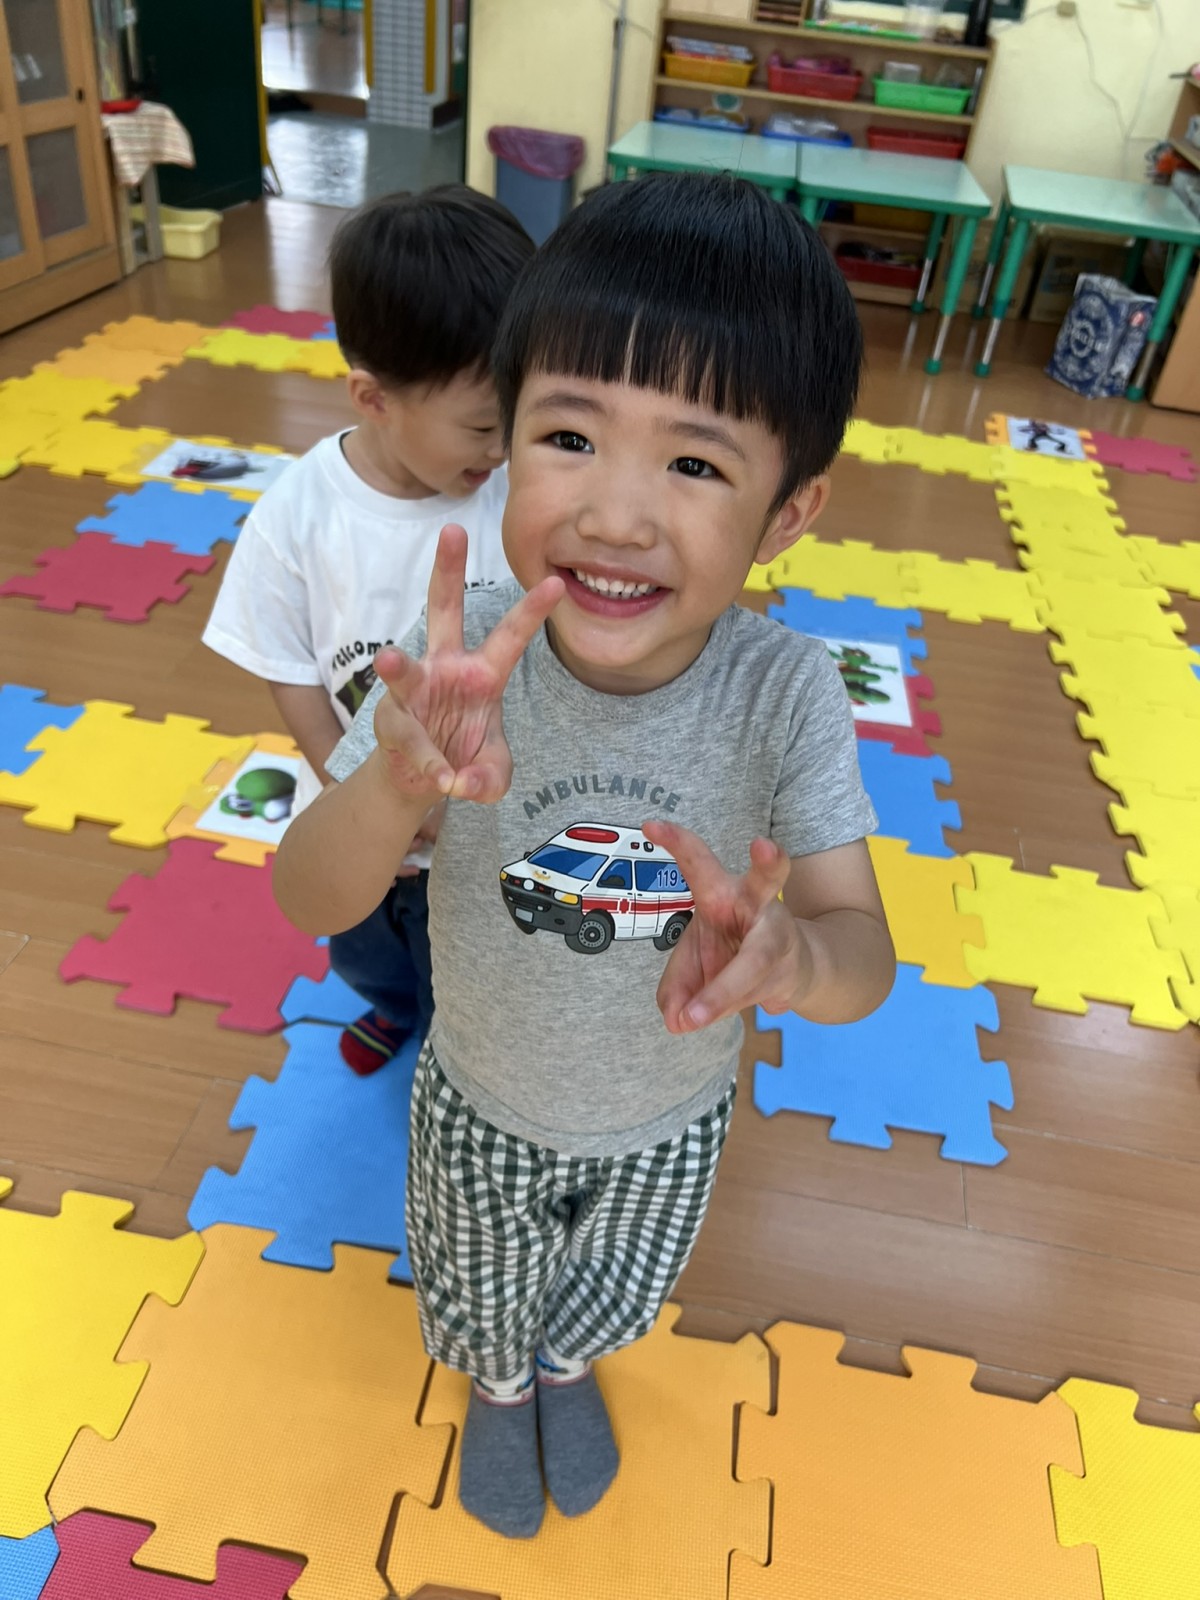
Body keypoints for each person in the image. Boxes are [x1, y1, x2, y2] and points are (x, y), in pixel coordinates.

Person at [274, 172, 896, 1538]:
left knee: (617, 1286)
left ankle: (563, 1364)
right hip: (480, 1098)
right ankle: (501, 1383)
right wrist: (392, 786)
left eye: (694, 463)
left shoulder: (788, 695)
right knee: (477, 1287)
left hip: (671, 1118)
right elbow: (304, 892)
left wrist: (794, 960)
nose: (615, 513)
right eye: (568, 435)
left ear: (789, 513)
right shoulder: (458, 669)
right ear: (505, 444)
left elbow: (865, 957)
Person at [204, 186, 533, 1074]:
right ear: (373, 397)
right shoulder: (298, 516)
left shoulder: (517, 497)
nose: (503, 448)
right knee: (367, 948)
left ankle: (450, 1047)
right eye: (482, 425)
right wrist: (344, 781)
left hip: (485, 820)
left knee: (472, 969)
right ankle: (394, 1011)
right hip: (365, 815)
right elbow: (286, 665)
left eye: (522, 419)